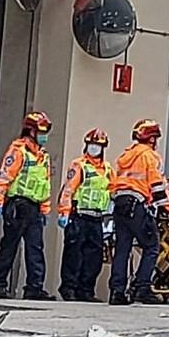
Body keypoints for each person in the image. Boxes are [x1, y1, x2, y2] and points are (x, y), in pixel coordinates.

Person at [0, 112, 54, 300]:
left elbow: (45, 184)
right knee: (9, 246)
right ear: (30, 131)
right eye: (41, 131)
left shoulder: (43, 156)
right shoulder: (18, 151)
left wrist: (45, 209)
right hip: (18, 205)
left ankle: (34, 287)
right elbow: (5, 176)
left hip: (34, 207)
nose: (44, 135)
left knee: (35, 248)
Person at [109, 119, 169, 305]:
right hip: (137, 204)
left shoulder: (125, 157)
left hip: (120, 204)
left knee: (122, 249)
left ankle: (117, 292)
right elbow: (156, 185)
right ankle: (142, 288)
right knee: (151, 246)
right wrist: (168, 208)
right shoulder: (150, 157)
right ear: (151, 139)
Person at [57, 129, 115, 302]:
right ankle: (69, 288)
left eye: (97, 145)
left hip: (97, 218)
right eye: (92, 144)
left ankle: (86, 290)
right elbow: (68, 190)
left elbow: (113, 190)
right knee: (73, 254)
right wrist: (64, 213)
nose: (94, 148)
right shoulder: (79, 165)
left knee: (94, 258)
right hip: (79, 216)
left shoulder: (107, 169)